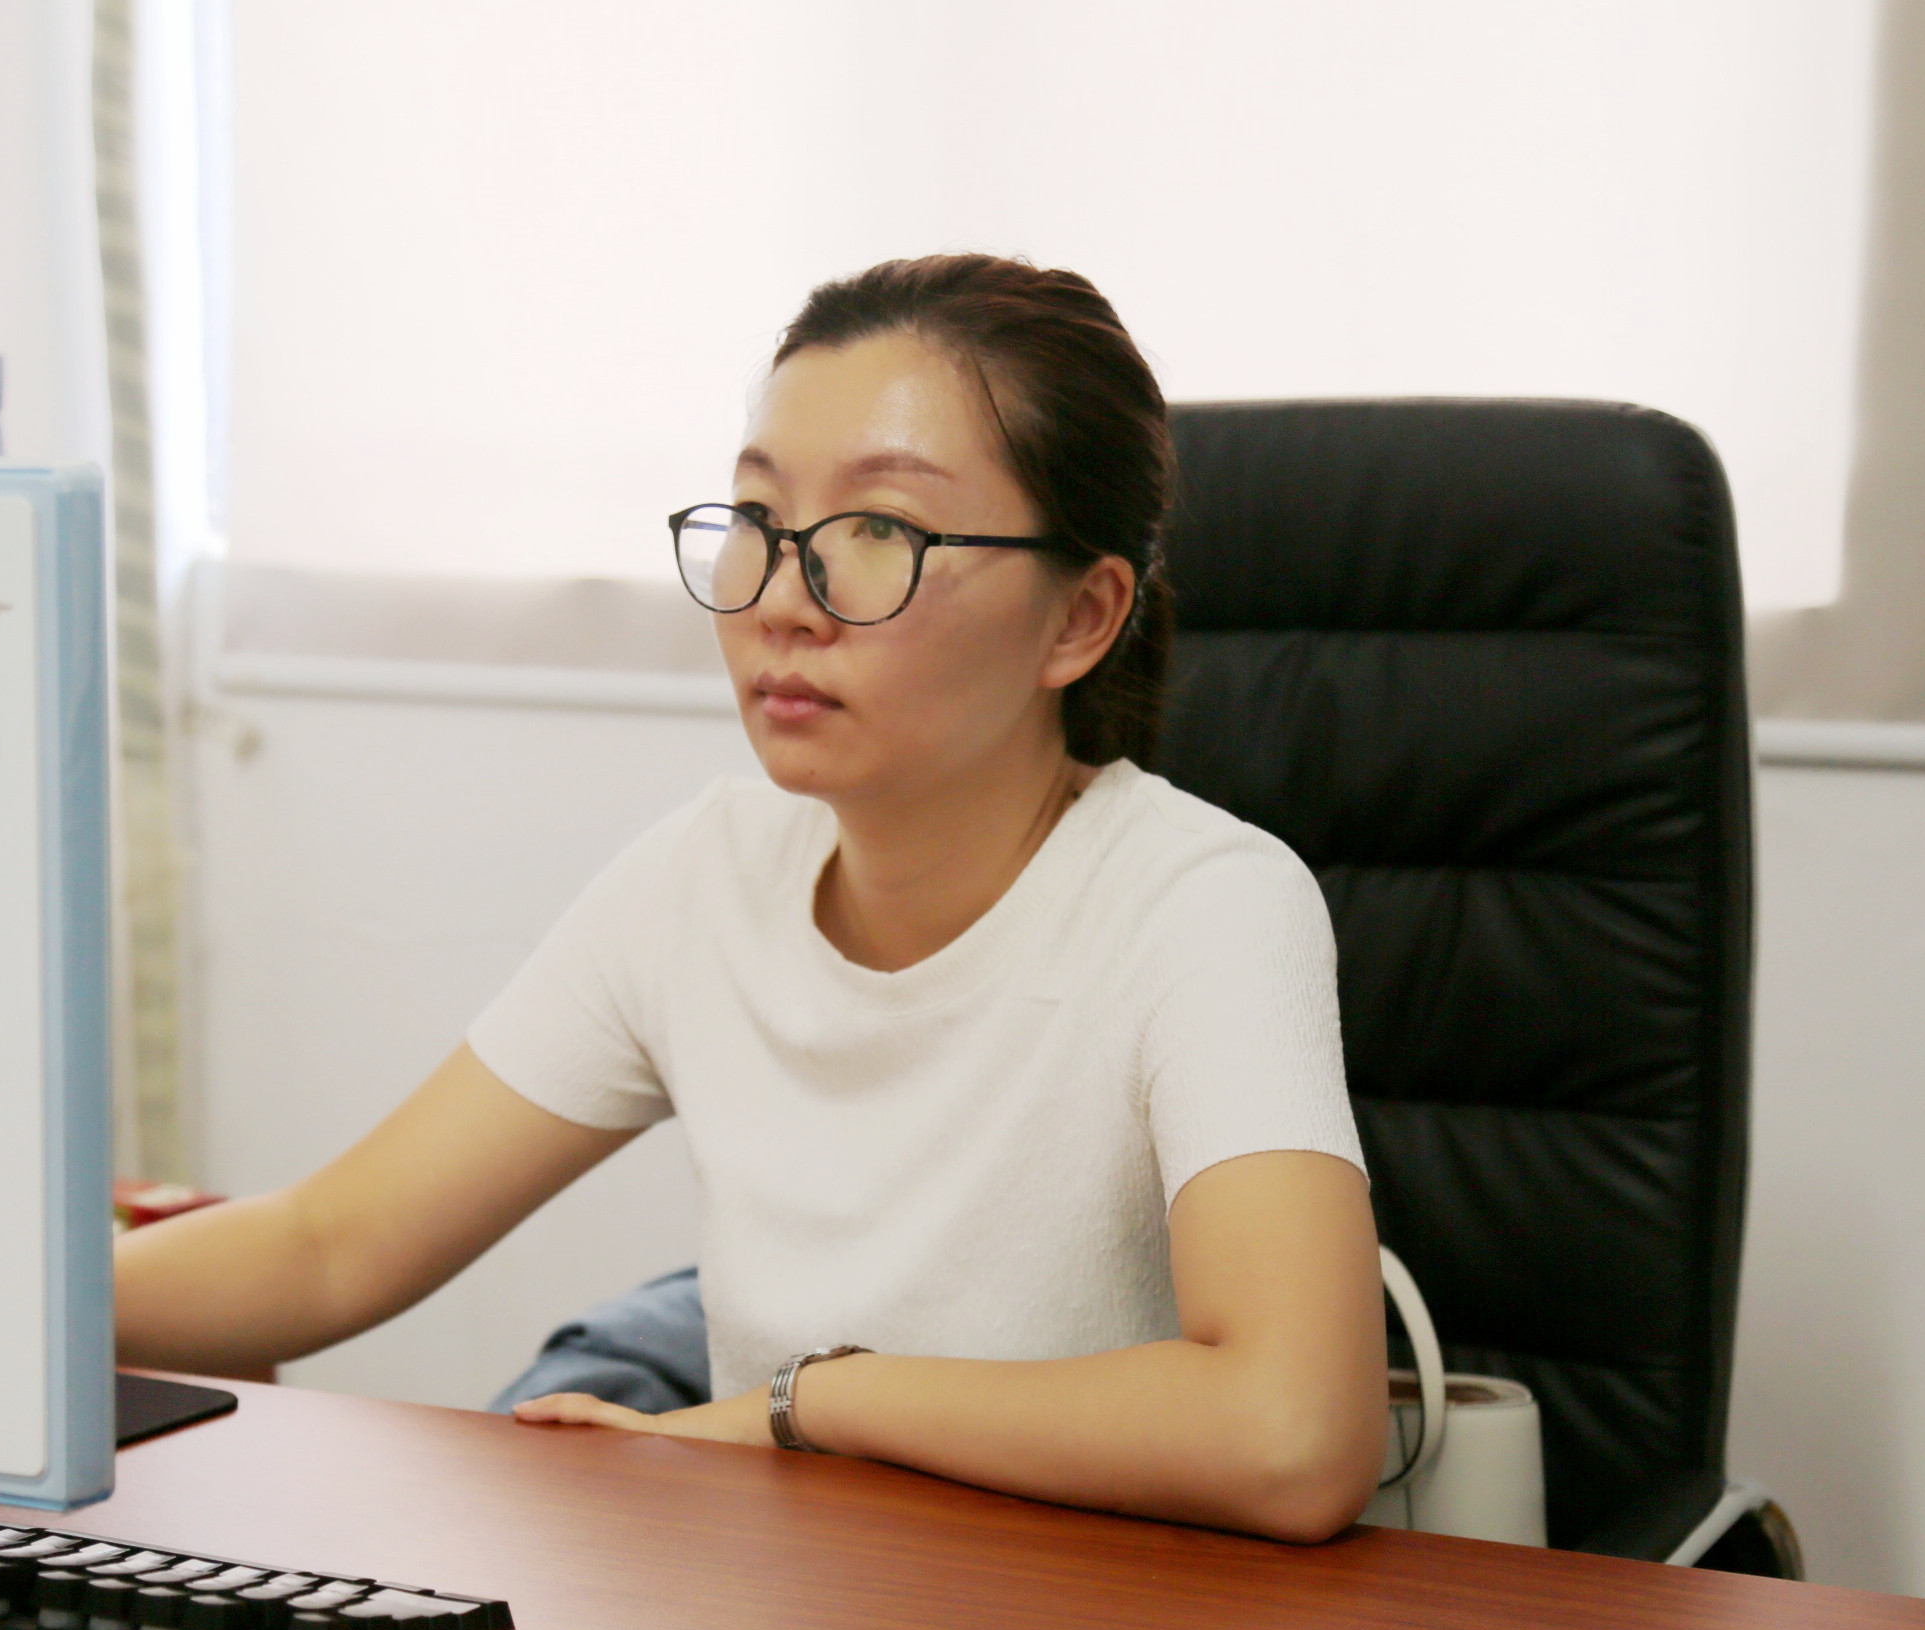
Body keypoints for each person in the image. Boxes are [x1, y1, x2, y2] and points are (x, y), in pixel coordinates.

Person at [116, 254, 1386, 1543]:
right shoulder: (704, 879)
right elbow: (331, 1244)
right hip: (782, 1621)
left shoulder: (1204, 906)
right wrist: (14, 1293)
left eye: (879, 533)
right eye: (760, 522)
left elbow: (1290, 1433)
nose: (782, 600)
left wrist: (812, 1403)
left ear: (1080, 618)